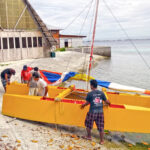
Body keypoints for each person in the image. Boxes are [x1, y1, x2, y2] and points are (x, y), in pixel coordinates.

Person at [81, 79, 110, 145]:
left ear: (91, 86)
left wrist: (83, 105)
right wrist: (109, 103)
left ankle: (89, 136)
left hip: (92, 112)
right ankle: (102, 141)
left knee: (88, 124)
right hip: (100, 112)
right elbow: (106, 101)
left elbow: (87, 103)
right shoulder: (102, 93)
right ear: (96, 85)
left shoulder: (90, 94)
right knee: (101, 127)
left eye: (90, 85)